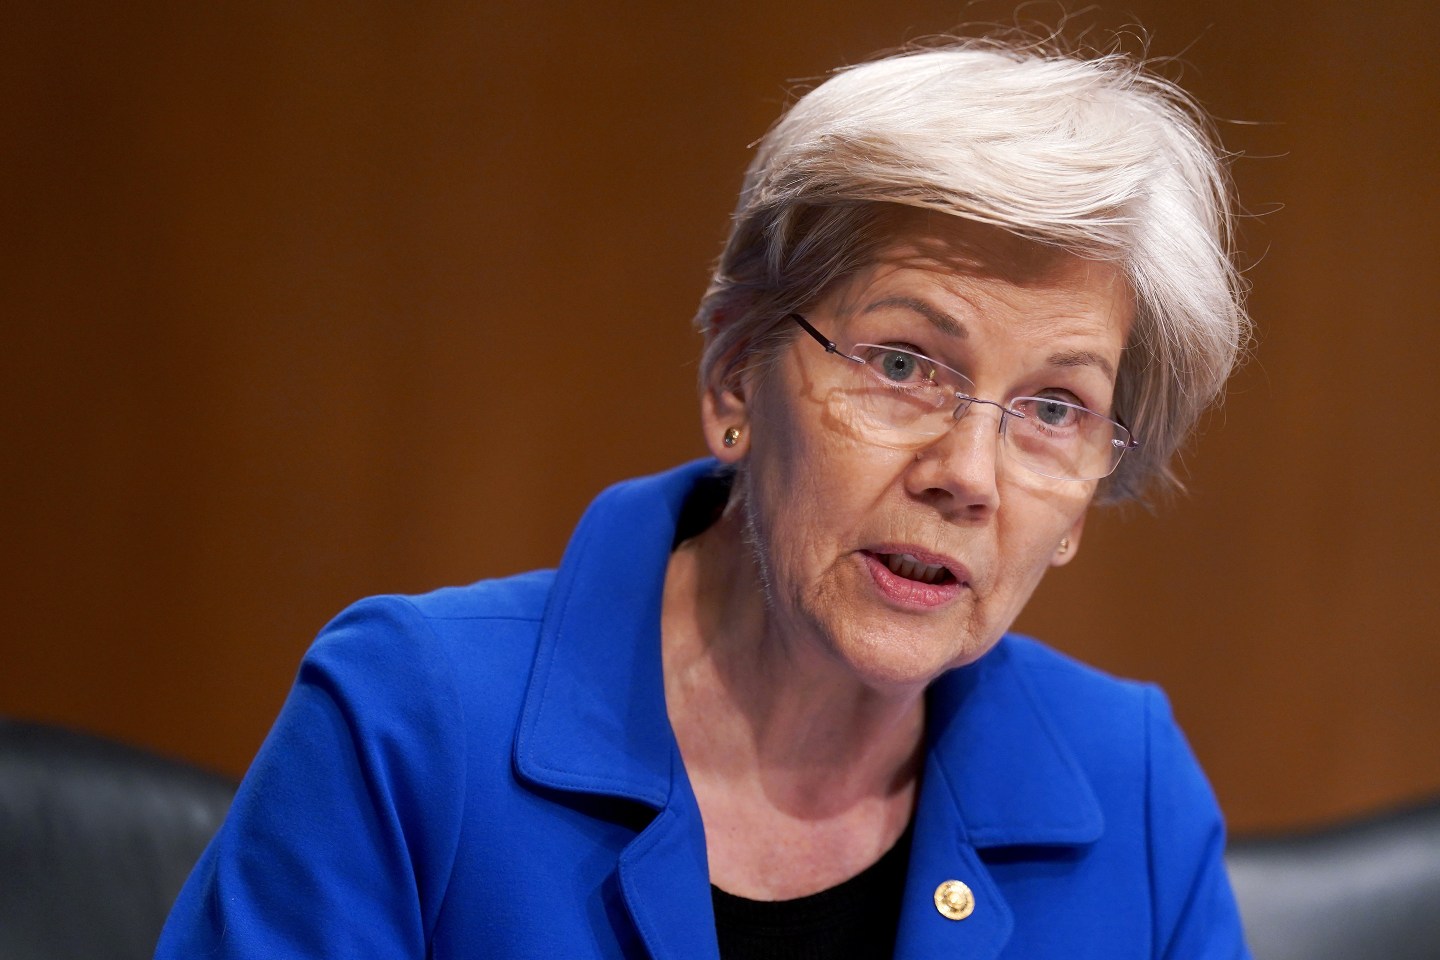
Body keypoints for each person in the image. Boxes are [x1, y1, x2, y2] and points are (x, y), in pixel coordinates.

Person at [157, 36, 1252, 960]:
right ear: (737, 374)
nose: (968, 476)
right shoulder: (410, 720)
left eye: (1055, 410)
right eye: (904, 365)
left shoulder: (1133, 790)